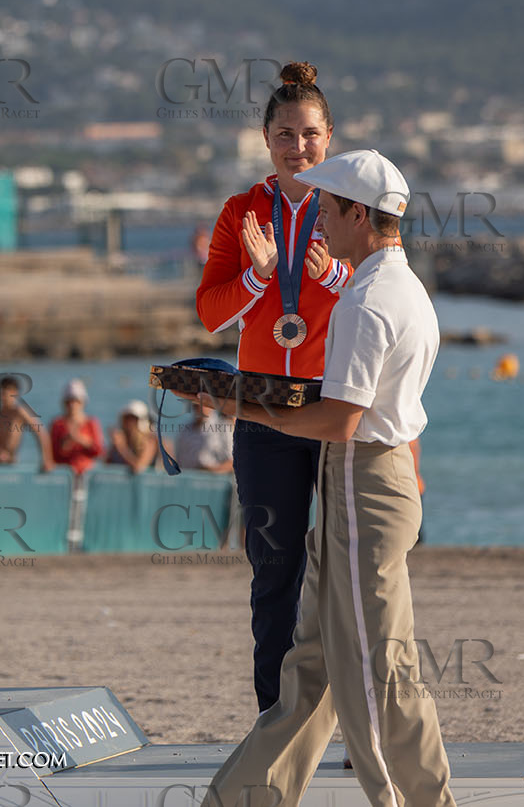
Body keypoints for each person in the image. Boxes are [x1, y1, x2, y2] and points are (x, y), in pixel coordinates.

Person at [189, 149, 454, 807]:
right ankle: (244, 797)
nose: (320, 226)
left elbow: (339, 420)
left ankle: (420, 800)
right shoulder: (403, 287)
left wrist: (241, 405)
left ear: (358, 213)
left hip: (362, 482)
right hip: (365, 481)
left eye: (329, 211)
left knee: (376, 667)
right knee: (310, 664)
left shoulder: (367, 298)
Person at [195, 60, 353, 716]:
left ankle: (355, 716)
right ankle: (274, 715)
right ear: (267, 139)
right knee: (273, 573)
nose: (300, 146)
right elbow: (210, 312)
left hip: (331, 401)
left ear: (331, 136)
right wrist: (260, 279)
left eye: (311, 133)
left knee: (346, 571)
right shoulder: (241, 211)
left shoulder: (350, 206)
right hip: (261, 409)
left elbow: (393, 291)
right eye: (286, 134)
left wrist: (338, 273)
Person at [0, 375, 47, 466]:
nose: (3, 397)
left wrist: (46, 459)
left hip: (10, 462)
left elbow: (41, 434)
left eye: (6, 393)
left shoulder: (19, 413)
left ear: (15, 393)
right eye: (1, 393)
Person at [45, 378, 104, 475]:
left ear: (83, 402)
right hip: (64, 475)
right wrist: (65, 443)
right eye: (69, 402)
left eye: (76, 401)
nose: (72, 405)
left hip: (86, 474)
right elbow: (51, 454)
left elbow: (99, 451)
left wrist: (80, 439)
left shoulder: (91, 423)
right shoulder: (57, 424)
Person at [171, 400, 235, 474]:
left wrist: (210, 472)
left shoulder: (225, 428)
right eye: (197, 404)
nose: (201, 407)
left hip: (217, 481)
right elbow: (179, 462)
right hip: (189, 479)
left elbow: (233, 462)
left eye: (204, 404)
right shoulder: (185, 430)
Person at [108, 401, 161, 473]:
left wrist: (121, 448)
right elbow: (107, 465)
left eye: (133, 419)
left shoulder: (149, 441)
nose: (129, 423)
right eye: (127, 419)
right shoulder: (121, 440)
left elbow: (138, 467)